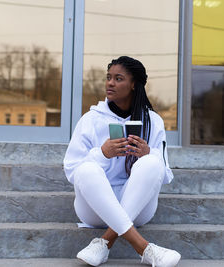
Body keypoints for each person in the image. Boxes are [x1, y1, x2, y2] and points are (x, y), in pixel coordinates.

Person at [63, 56, 181, 267]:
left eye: (118, 78)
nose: (110, 83)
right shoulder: (90, 119)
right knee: (87, 168)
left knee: (153, 163)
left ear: (134, 84)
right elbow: (72, 170)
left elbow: (166, 175)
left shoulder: (153, 121)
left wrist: (148, 153)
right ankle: (144, 248)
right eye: (108, 78)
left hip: (138, 207)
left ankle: (105, 242)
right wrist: (102, 153)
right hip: (94, 209)